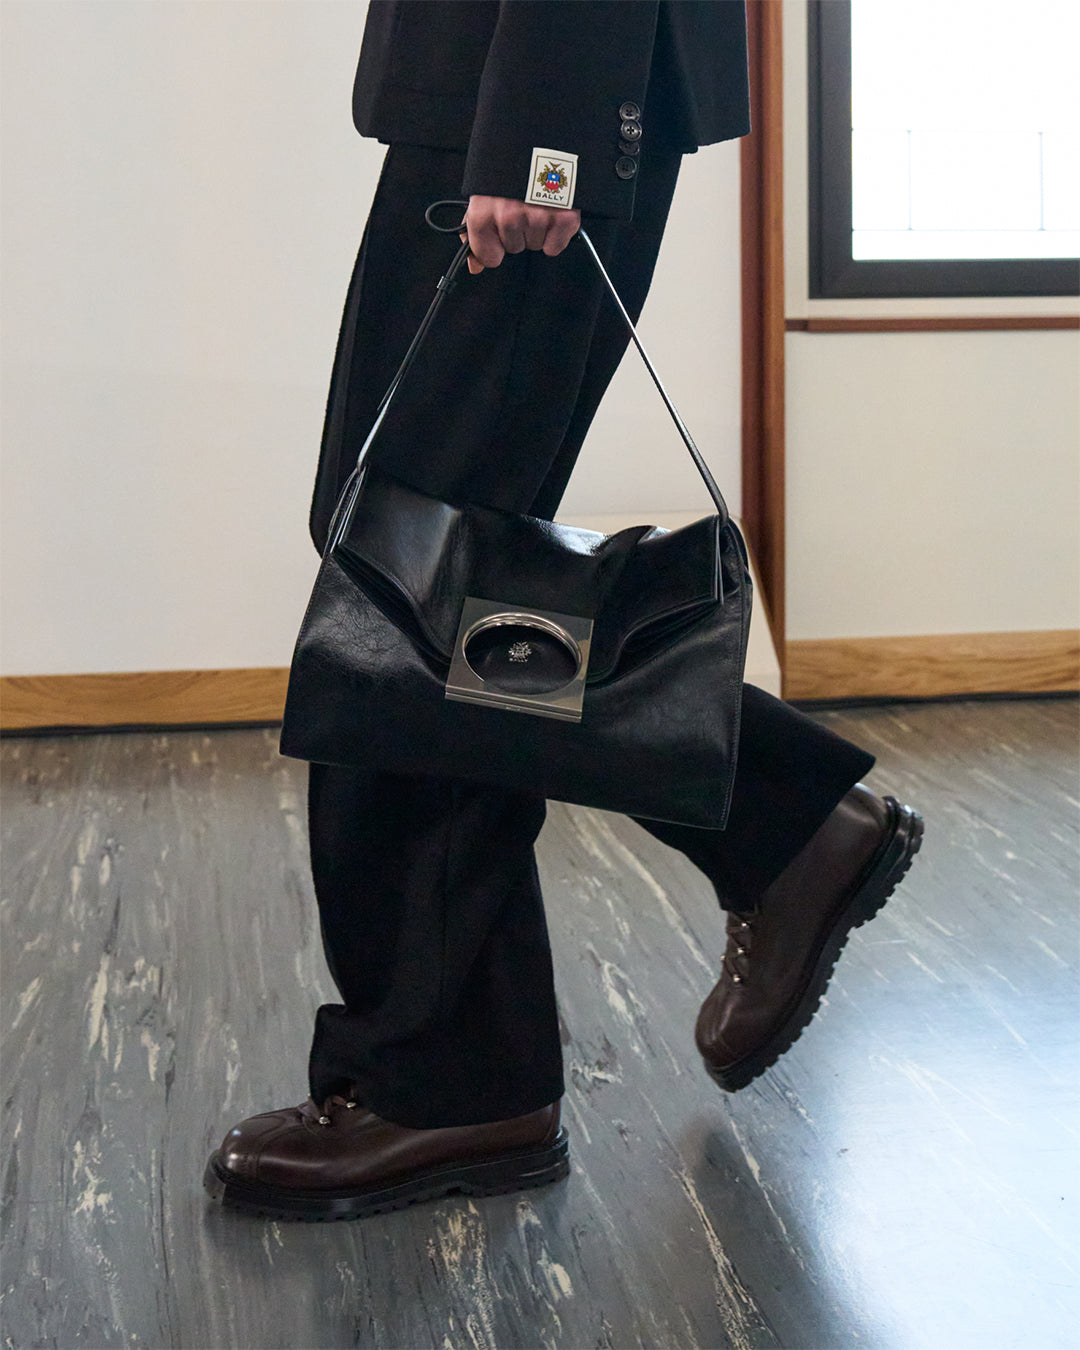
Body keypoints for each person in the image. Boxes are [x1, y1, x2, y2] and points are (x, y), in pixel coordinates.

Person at [203, 0, 923, 1221]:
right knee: (417, 570)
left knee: (410, 574)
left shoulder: (538, 142)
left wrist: (546, 138)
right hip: (497, 113)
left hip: (529, 115)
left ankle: (455, 1075)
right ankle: (776, 825)